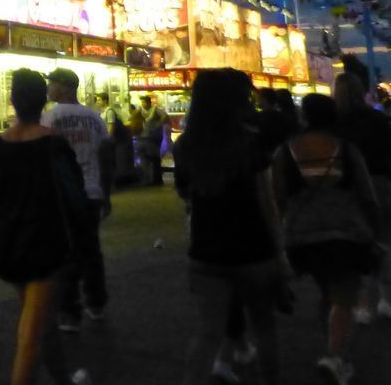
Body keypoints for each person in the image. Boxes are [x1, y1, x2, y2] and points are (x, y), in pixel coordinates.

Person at [0, 70, 92, 385]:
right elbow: (75, 196)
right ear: (43, 101)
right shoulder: (54, 148)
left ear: (12, 102)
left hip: (3, 246)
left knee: (42, 322)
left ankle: (62, 378)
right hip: (45, 247)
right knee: (30, 334)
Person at [174, 69, 284, 385]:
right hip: (254, 248)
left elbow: (185, 194)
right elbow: (267, 203)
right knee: (264, 326)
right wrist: (280, 253)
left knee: (207, 332)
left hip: (206, 250)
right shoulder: (250, 143)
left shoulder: (185, 147)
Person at [274, 93, 381, 385]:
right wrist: (375, 229)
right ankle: (335, 357)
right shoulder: (346, 149)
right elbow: (366, 194)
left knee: (330, 294)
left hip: (302, 236)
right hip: (344, 232)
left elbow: (278, 197)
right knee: (344, 298)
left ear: (304, 117)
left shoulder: (286, 151)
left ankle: (336, 352)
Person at [43, 69, 109, 331]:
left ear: (64, 87)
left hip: (63, 192)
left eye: (52, 83)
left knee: (66, 251)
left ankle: (70, 312)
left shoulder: (51, 117)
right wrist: (107, 193)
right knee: (91, 249)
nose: (49, 88)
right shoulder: (94, 117)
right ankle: (97, 302)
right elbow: (105, 158)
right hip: (92, 191)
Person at [332, 72, 391, 321]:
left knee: (351, 248)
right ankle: (387, 300)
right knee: (384, 242)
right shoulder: (377, 119)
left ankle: (361, 304)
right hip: (380, 182)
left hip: (346, 190)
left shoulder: (334, 124)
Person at [139, 94, 169, 186]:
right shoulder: (142, 111)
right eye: (142, 102)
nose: (142, 104)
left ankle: (157, 179)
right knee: (147, 158)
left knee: (155, 157)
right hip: (145, 136)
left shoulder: (155, 109)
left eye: (144, 102)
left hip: (154, 137)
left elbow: (165, 116)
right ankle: (149, 178)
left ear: (148, 102)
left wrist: (159, 124)